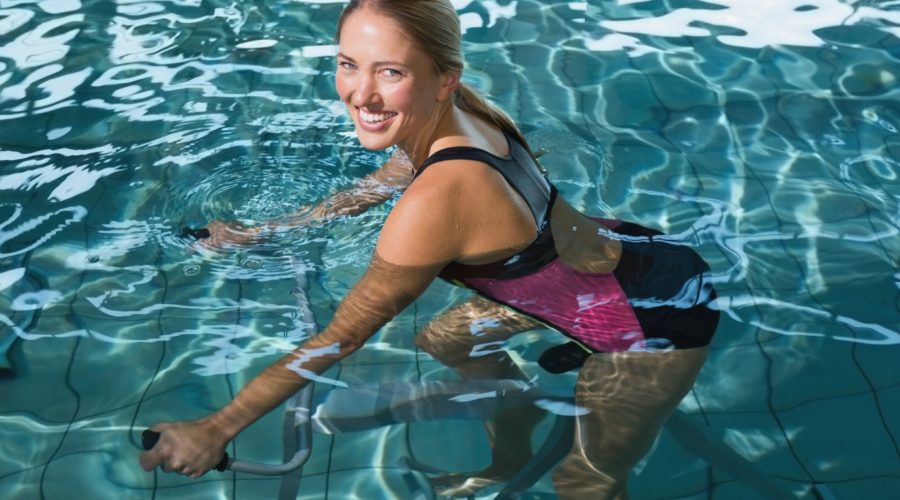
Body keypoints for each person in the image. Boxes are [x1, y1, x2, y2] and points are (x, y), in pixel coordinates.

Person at [139, 1, 720, 498]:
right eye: (347, 64)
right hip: (615, 258)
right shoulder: (462, 112)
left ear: (444, 77)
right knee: (446, 337)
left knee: (584, 482)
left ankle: (547, 414)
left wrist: (217, 427)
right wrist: (265, 231)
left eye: (389, 72)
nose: (360, 93)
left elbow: (339, 337)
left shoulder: (435, 204)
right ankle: (512, 437)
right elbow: (384, 181)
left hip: (652, 322)